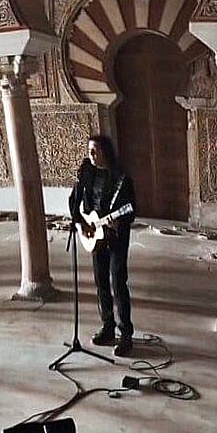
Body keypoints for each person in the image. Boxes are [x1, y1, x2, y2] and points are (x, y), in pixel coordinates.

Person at [68, 135, 137, 357]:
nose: (91, 154)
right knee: (101, 284)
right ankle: (107, 327)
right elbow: (74, 202)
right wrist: (81, 224)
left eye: (95, 150)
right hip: (94, 235)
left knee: (117, 282)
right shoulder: (86, 175)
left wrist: (117, 221)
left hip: (116, 236)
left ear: (106, 151)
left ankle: (125, 334)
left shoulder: (121, 179)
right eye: (89, 150)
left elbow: (130, 209)